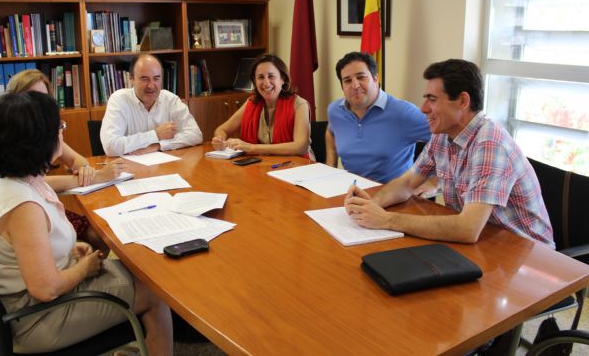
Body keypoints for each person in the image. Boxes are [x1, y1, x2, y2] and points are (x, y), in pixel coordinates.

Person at [0, 91, 173, 354]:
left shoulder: (10, 180)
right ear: (38, 141)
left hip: (25, 302)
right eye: (60, 127)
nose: (62, 133)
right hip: (37, 318)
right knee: (156, 291)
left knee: (141, 270)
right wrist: (84, 269)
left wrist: (66, 251)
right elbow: (46, 288)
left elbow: (28, 244)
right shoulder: (22, 208)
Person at [344, 59, 554, 247]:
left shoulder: (490, 144)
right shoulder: (443, 134)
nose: (423, 108)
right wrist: (371, 206)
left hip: (526, 256)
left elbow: (467, 229)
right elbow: (408, 183)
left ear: (463, 101)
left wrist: (386, 220)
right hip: (485, 243)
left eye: (432, 99)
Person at [0, 69, 123, 254]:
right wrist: (94, 178)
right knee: (99, 232)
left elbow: (75, 160)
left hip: (30, 208)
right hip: (14, 220)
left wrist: (85, 169)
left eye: (43, 99)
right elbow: (27, 184)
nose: (39, 107)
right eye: (32, 98)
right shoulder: (7, 142)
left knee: (99, 228)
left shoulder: (41, 133)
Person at [326, 52, 431, 184]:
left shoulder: (404, 113)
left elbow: (447, 137)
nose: (355, 85)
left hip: (394, 197)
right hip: (350, 193)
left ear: (376, 79)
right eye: (347, 80)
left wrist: (434, 181)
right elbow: (331, 132)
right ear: (342, 86)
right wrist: (331, 166)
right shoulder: (335, 111)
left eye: (361, 77)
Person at [211, 53, 313, 158]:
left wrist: (252, 148)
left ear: (282, 79)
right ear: (255, 81)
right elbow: (222, 129)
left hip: (298, 166)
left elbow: (301, 147)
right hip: (262, 164)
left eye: (271, 76)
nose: (266, 83)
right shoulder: (251, 103)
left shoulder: (300, 105)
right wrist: (220, 139)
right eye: (260, 77)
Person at [101, 54, 202, 156]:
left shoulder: (171, 100)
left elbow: (195, 135)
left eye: (156, 78)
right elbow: (110, 146)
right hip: (129, 167)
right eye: (144, 79)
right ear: (131, 79)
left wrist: (159, 145)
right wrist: (155, 135)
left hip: (165, 166)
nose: (151, 85)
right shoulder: (119, 100)